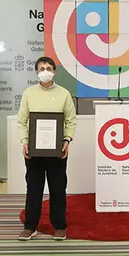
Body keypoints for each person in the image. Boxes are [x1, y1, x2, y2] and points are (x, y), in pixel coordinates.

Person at [16, 56, 76, 241]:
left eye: (49, 68)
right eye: (42, 68)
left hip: (58, 150)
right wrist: (25, 142)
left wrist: (66, 140)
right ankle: (30, 226)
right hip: (33, 151)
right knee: (34, 187)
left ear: (54, 72)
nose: (45, 72)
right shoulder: (29, 93)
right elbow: (22, 121)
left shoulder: (64, 94)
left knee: (58, 188)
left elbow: (71, 120)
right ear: (36, 72)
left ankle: (59, 226)